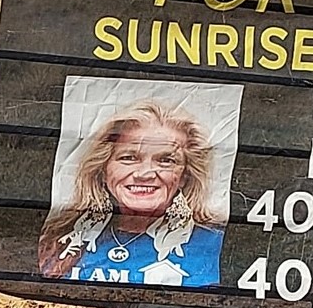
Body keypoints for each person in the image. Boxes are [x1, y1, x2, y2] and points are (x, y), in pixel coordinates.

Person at [36, 100, 227, 287]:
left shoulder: (215, 242)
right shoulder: (59, 236)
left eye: (165, 160)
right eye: (129, 158)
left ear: (185, 176)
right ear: (103, 169)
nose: (144, 174)